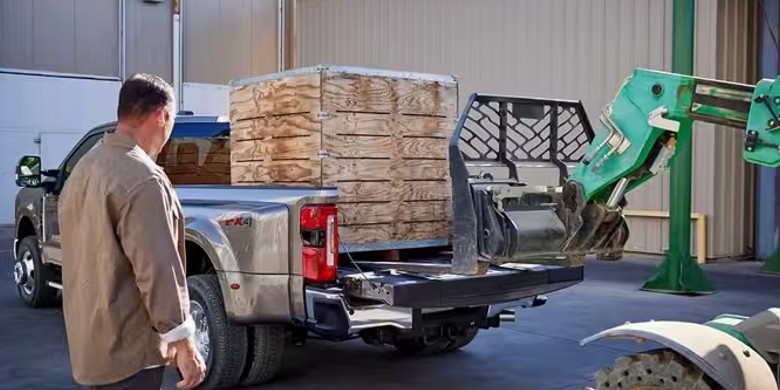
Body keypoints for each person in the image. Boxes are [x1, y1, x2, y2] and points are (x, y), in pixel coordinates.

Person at [58, 73, 206, 389]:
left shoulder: (84, 168)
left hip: (90, 348)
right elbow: (158, 269)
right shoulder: (142, 178)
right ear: (161, 115)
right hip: (131, 354)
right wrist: (184, 344)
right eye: (172, 121)